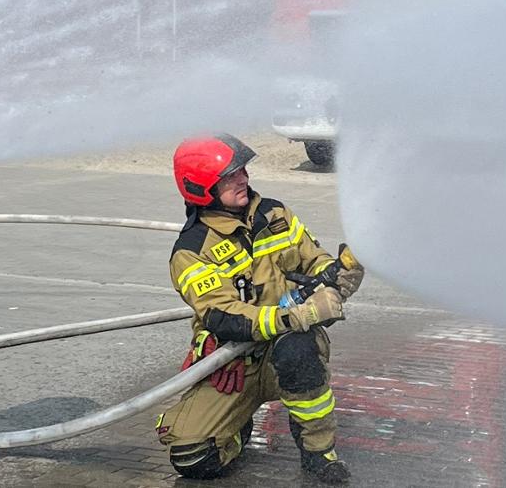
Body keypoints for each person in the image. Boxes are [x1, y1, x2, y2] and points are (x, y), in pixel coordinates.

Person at [155, 134, 366, 483]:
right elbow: (224, 316)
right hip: (233, 361)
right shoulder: (192, 250)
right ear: (202, 187)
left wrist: (337, 276)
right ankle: (237, 429)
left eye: (242, 170)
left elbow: (313, 260)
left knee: (299, 352)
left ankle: (319, 453)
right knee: (192, 457)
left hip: (287, 345)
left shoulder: (274, 214)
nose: (244, 178)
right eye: (231, 175)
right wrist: (299, 314)